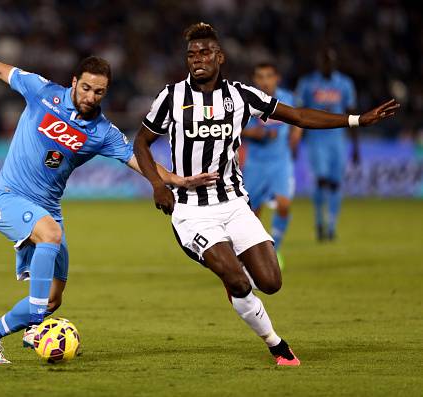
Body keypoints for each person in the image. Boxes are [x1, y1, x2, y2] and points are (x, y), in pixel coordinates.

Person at [0, 43, 218, 364]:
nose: (91, 96)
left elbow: (138, 160)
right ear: (74, 82)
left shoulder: (102, 132)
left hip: (49, 209)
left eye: (99, 92)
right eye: (87, 87)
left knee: (53, 298)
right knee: (49, 238)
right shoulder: (42, 91)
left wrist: (174, 180)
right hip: (8, 197)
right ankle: (35, 325)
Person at [133, 22, 398, 366]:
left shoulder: (243, 96)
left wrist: (356, 120)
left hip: (234, 204)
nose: (197, 59)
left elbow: (299, 116)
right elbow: (141, 140)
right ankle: (276, 344)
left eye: (204, 53)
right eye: (191, 54)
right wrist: (157, 183)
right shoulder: (171, 97)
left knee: (271, 283)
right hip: (191, 212)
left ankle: (238, 285)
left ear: (220, 57)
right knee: (237, 279)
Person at [241, 62, 302, 268]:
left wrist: (296, 136)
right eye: (260, 77)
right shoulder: (247, 100)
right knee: (252, 214)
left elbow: (298, 120)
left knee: (284, 204)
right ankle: (251, 254)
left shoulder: (287, 98)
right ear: (255, 80)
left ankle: (274, 250)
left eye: (269, 76)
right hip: (256, 164)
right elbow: (234, 128)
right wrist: (253, 133)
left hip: (280, 162)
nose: (265, 81)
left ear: (277, 78)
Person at [295, 48, 358, 241]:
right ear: (319, 63)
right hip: (316, 140)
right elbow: (298, 114)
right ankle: (319, 223)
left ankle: (331, 226)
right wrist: (295, 141)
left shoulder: (345, 84)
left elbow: (352, 114)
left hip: (338, 140)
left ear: (335, 63)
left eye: (330, 61)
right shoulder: (307, 83)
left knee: (335, 183)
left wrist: (356, 146)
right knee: (321, 181)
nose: (327, 65)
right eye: (324, 62)